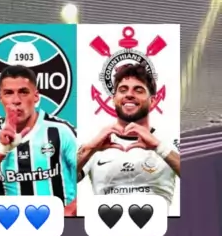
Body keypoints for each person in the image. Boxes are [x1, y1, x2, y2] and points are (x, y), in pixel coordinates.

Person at [0, 65, 77, 215]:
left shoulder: (61, 130)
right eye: (8, 93)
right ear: (0, 99)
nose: (16, 100)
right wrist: (1, 150)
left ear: (36, 96)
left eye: (23, 92)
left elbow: (88, 173)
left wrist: (71, 210)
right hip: (9, 224)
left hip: (59, 225)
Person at [77, 63, 180, 206]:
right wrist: (89, 150)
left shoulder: (169, 141)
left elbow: (200, 180)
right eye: (123, 90)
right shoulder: (95, 143)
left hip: (156, 220)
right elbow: (61, 182)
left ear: (153, 101)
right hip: (107, 218)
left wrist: (159, 147)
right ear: (113, 99)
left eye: (138, 90)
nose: (129, 95)